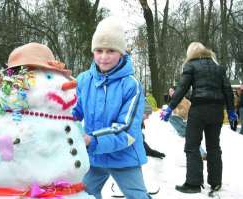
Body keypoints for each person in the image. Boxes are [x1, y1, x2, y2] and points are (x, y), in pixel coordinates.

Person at [72, 17, 150, 199]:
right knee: (84, 194)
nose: (104, 56)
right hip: (94, 157)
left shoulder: (131, 85)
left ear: (121, 53)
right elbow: (74, 111)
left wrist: (92, 140)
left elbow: (126, 128)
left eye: (111, 51)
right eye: (99, 50)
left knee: (137, 195)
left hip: (123, 156)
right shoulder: (84, 80)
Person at [160, 42, 237, 194]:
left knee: (192, 145)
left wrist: (170, 107)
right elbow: (227, 90)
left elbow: (182, 88)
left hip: (199, 110)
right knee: (214, 146)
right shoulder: (218, 67)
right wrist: (231, 110)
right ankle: (215, 182)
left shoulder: (191, 65)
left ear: (191, 53)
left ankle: (193, 183)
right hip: (216, 112)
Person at [167, 86, 207, 159]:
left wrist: (175, 112)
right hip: (185, 124)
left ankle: (200, 154)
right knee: (191, 139)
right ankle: (201, 153)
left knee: (191, 138)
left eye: (172, 91)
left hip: (190, 122)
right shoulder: (174, 101)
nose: (171, 93)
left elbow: (185, 112)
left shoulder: (182, 100)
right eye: (169, 92)